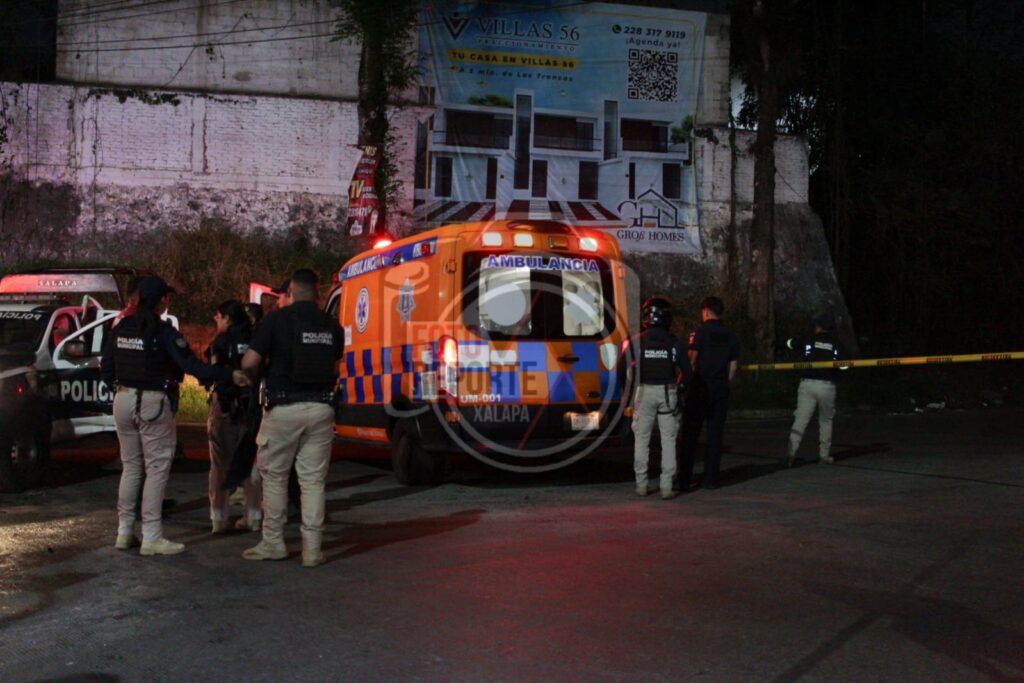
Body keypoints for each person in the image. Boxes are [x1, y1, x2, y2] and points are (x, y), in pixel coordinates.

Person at [100, 276, 240, 555]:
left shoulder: (120, 327)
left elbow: (107, 367)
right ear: (161, 300)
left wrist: (121, 388)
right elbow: (192, 367)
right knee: (156, 468)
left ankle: (124, 532)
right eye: (167, 297)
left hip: (123, 399)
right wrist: (229, 374)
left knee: (131, 467)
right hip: (152, 402)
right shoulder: (163, 332)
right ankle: (151, 536)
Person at [239, 269, 342, 567]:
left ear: (291, 292)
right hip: (322, 408)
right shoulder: (333, 326)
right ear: (318, 292)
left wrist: (251, 374)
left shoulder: (276, 320)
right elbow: (335, 367)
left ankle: (273, 542)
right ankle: (312, 550)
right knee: (313, 482)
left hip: (284, 408)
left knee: (275, 478)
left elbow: (250, 361)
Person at [626, 296, 692, 499]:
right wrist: (679, 389)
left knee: (641, 439)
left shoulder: (636, 342)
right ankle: (666, 486)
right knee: (669, 440)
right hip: (668, 392)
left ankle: (641, 485)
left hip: (644, 392)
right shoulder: (675, 343)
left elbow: (622, 369)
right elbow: (687, 373)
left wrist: (628, 391)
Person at [205, 300, 262, 533]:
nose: (215, 320)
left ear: (227, 318)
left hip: (225, 405)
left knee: (219, 463)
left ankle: (219, 518)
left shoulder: (221, 341)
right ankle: (253, 515)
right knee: (251, 461)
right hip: (251, 406)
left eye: (218, 316)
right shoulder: (255, 339)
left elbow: (212, 372)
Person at [679, 296, 740, 490]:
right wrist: (724, 384)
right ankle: (711, 479)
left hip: (700, 387)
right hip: (720, 388)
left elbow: (691, 359)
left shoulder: (700, 332)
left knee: (690, 435)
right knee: (715, 436)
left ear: (705, 311)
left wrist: (683, 384)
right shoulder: (731, 335)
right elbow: (733, 367)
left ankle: (684, 479)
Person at [785, 312, 844, 466]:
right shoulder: (836, 343)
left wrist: (787, 342)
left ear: (818, 326)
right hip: (827, 386)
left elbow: (791, 343)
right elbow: (844, 365)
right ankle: (824, 456)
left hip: (807, 384)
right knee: (825, 421)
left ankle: (790, 454)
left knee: (800, 420)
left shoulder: (809, 338)